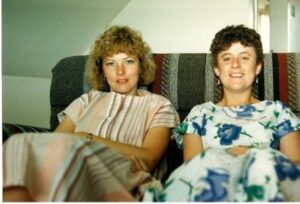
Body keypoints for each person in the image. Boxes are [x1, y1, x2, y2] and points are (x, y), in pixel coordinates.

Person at [3, 25, 179, 201]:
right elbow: (55, 144)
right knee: (17, 143)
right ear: (102, 71)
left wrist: (86, 138)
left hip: (123, 179)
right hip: (69, 169)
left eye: (129, 61)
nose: (120, 71)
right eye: (111, 63)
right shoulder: (87, 100)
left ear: (141, 66)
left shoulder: (159, 104)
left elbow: (148, 158)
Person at [143, 25, 300, 202]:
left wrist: (253, 158)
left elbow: (294, 169)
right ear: (217, 69)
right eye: (227, 58)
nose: (235, 65)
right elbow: (192, 172)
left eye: (244, 57)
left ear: (258, 67)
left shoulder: (278, 112)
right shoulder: (199, 114)